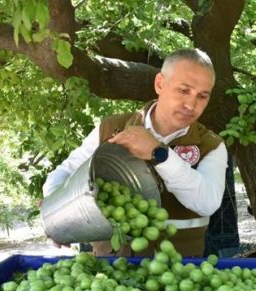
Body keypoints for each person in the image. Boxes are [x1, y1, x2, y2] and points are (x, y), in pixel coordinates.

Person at [42, 48, 227, 257]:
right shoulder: (111, 127)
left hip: (183, 271)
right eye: (184, 90)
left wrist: (159, 154)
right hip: (115, 269)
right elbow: (63, 173)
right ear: (160, 84)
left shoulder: (211, 145)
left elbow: (208, 203)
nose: (191, 105)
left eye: (202, 96)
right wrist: (54, 207)